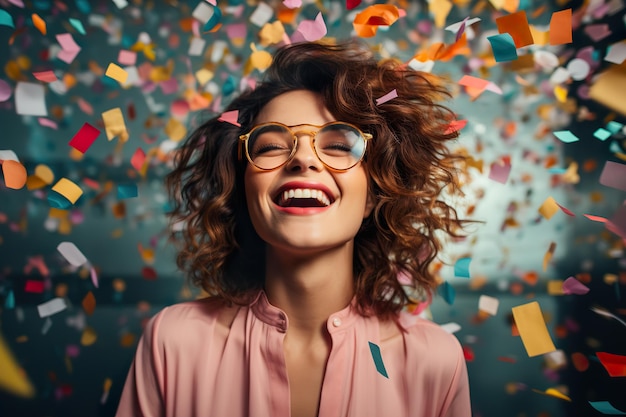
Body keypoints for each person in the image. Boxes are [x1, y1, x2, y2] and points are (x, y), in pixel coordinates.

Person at [115, 40, 471, 417]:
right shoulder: (172, 342)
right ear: (243, 190)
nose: (303, 158)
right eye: (271, 146)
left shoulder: (433, 361)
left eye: (338, 145)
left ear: (372, 195)